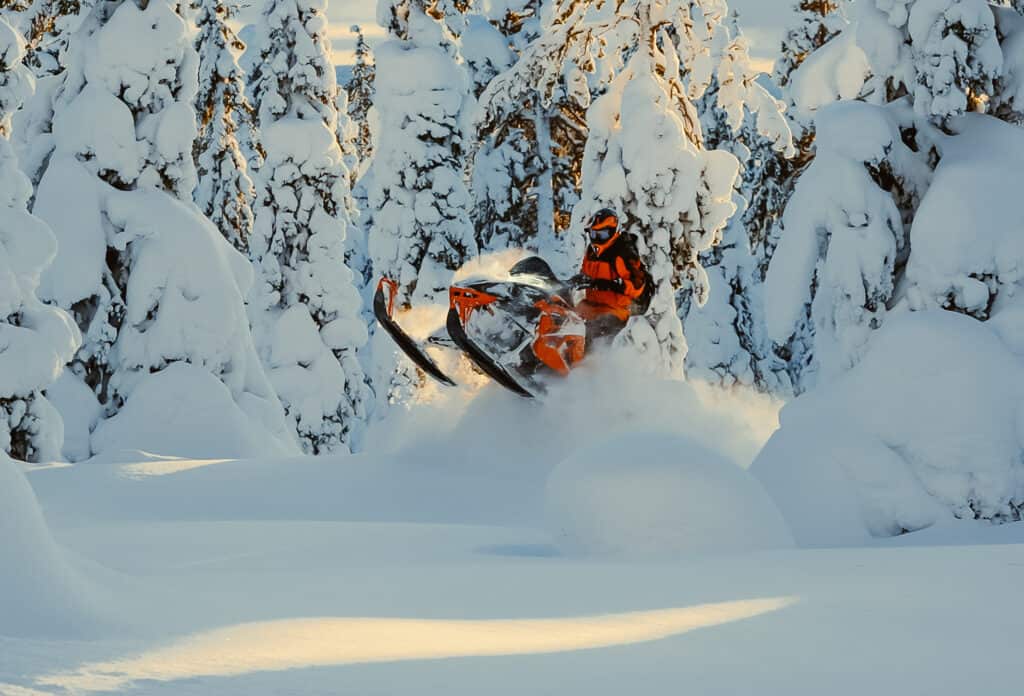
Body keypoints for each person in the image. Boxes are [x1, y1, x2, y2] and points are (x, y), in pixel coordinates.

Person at [573, 208, 650, 345]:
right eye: (594, 234)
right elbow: (584, 273)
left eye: (602, 235)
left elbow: (638, 285)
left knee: (588, 334)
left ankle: (591, 358)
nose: (597, 239)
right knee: (565, 317)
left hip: (615, 311)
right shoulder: (591, 252)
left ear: (613, 232)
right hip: (591, 306)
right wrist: (577, 280)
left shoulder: (623, 252)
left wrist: (614, 284)